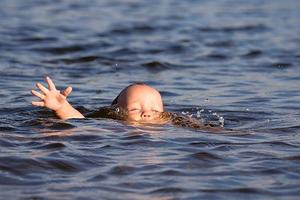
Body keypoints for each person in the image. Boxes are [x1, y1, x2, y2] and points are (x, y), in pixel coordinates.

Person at [31, 77, 222, 129]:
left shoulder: (173, 124)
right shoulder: (116, 128)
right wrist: (62, 107)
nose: (146, 113)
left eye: (155, 110)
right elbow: (82, 125)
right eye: (135, 109)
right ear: (117, 112)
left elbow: (206, 130)